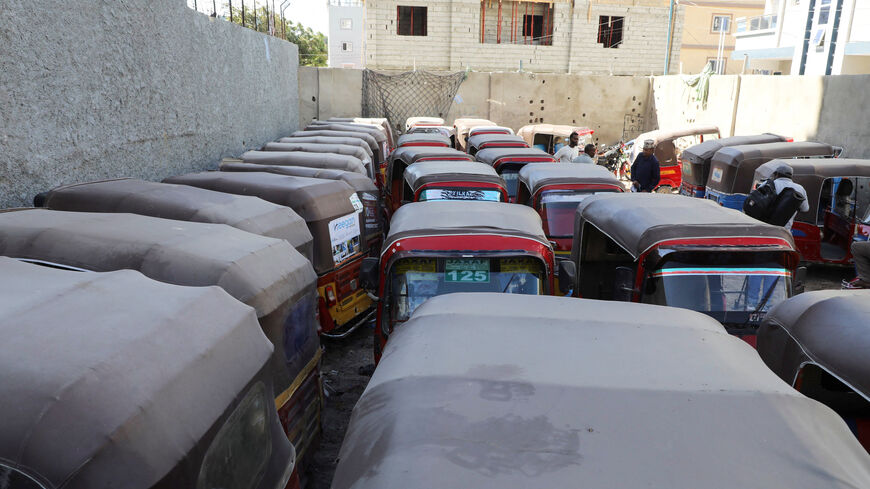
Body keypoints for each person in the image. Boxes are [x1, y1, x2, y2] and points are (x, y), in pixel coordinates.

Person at [768, 164, 809, 231]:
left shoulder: (768, 184)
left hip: (766, 227)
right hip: (785, 230)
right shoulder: (800, 188)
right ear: (791, 176)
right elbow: (805, 209)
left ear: (777, 174)